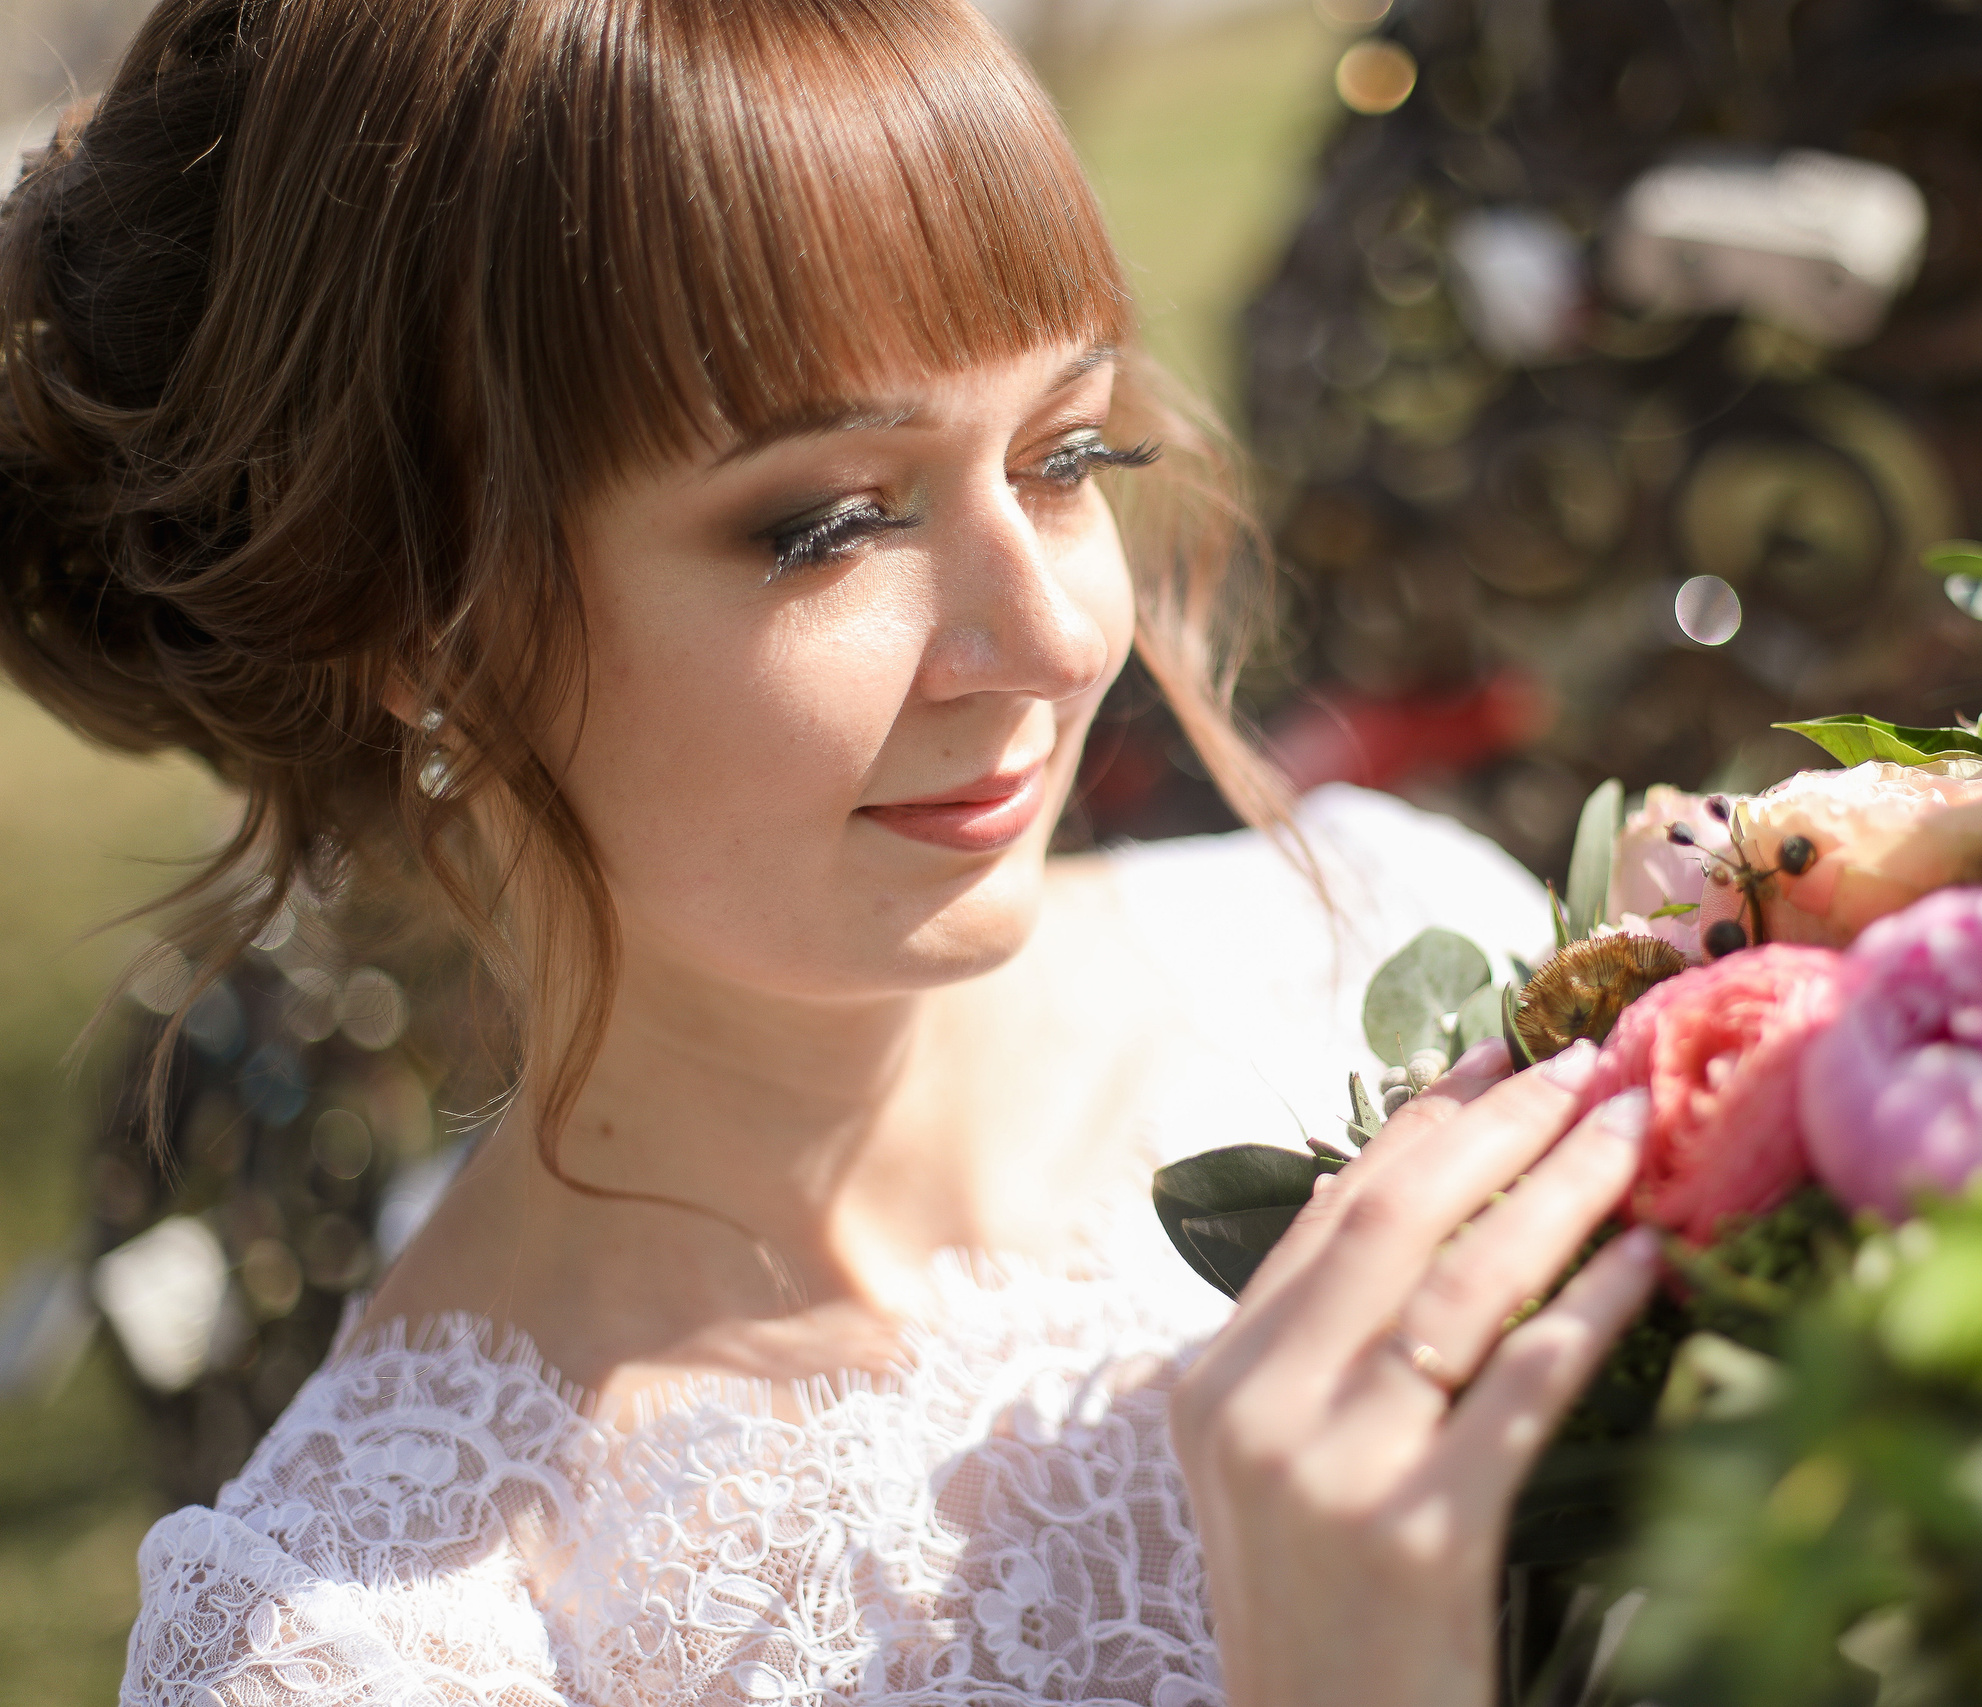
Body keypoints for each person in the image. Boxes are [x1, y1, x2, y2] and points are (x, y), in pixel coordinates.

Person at [0, 0, 1662, 1700]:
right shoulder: (370, 1644)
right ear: (419, 619)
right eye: (832, 524)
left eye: (1067, 455)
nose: (1053, 638)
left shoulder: (1395, 952)